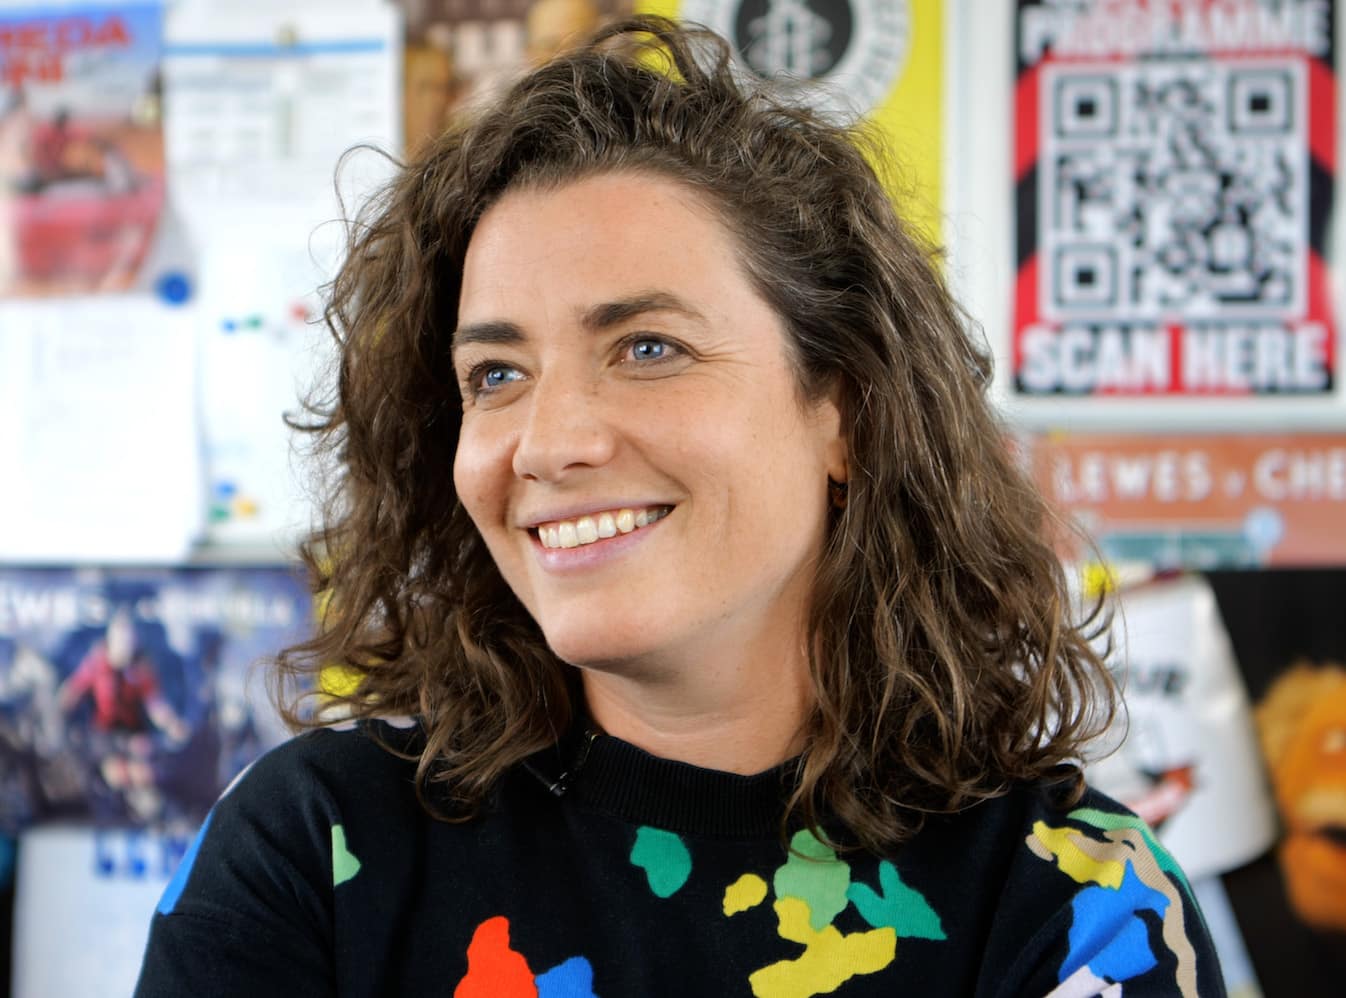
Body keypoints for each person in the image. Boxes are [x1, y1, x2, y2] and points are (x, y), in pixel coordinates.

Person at [135, 17, 1226, 997]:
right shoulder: (317, 847)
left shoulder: (1074, 901)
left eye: (647, 347)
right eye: (496, 375)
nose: (551, 442)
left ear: (841, 404)